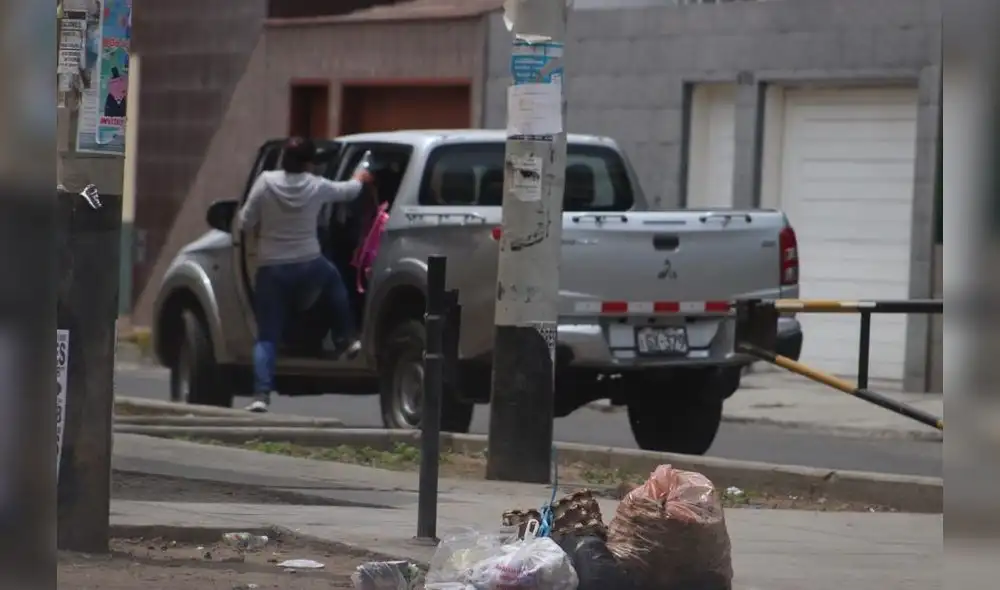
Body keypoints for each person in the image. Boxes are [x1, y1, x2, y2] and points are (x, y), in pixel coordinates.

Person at [237, 137, 374, 412]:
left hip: (272, 268)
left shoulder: (265, 182)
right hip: (309, 264)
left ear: (283, 160)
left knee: (267, 336)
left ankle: (260, 396)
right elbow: (349, 191)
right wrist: (360, 175)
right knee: (335, 280)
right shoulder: (316, 185)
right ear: (310, 163)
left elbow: (244, 222)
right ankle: (345, 339)